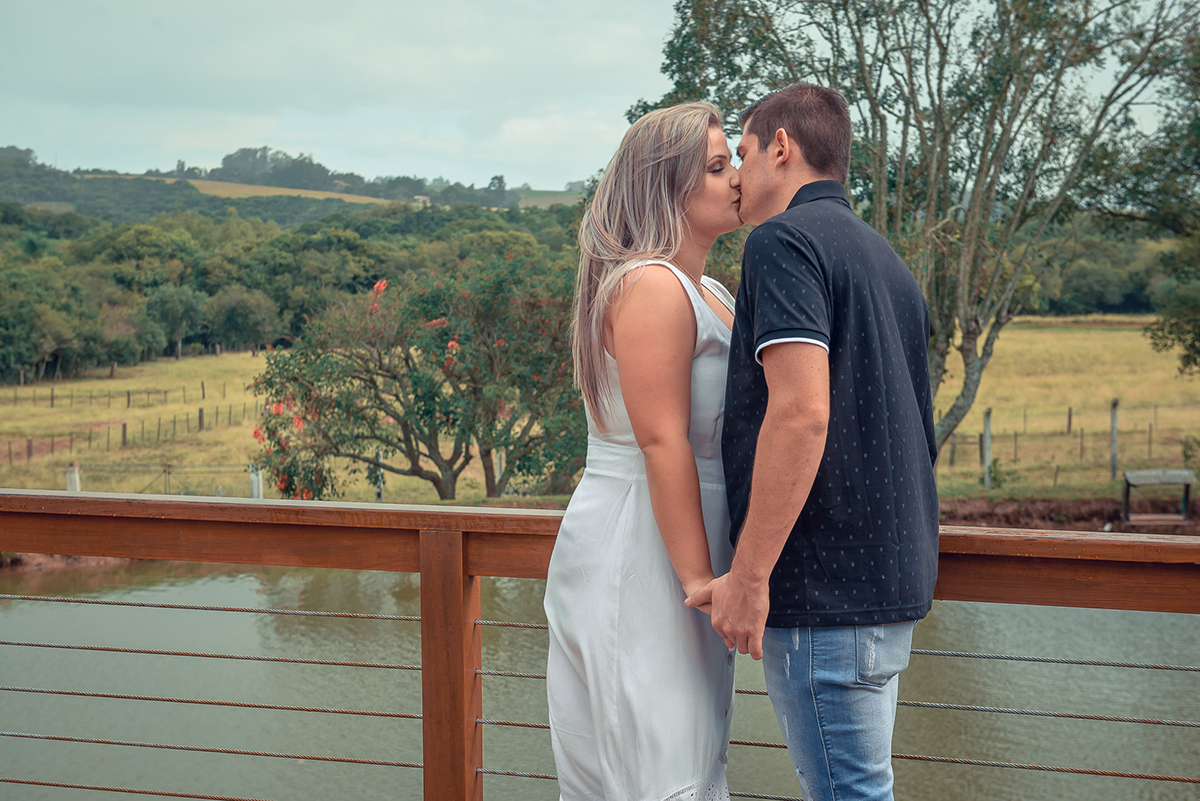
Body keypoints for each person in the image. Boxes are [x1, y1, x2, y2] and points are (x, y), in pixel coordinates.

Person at [686, 84, 940, 800]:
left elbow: (801, 413)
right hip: (890, 587)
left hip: (824, 593)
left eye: (742, 153)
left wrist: (750, 577)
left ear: (782, 147)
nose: (738, 176)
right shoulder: (887, 262)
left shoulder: (783, 242)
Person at [544, 102, 742, 800]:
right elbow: (661, 440)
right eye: (718, 167)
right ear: (669, 187)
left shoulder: (709, 290)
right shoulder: (652, 285)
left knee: (683, 747)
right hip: (645, 549)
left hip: (681, 540)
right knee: (663, 758)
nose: (737, 179)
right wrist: (697, 580)